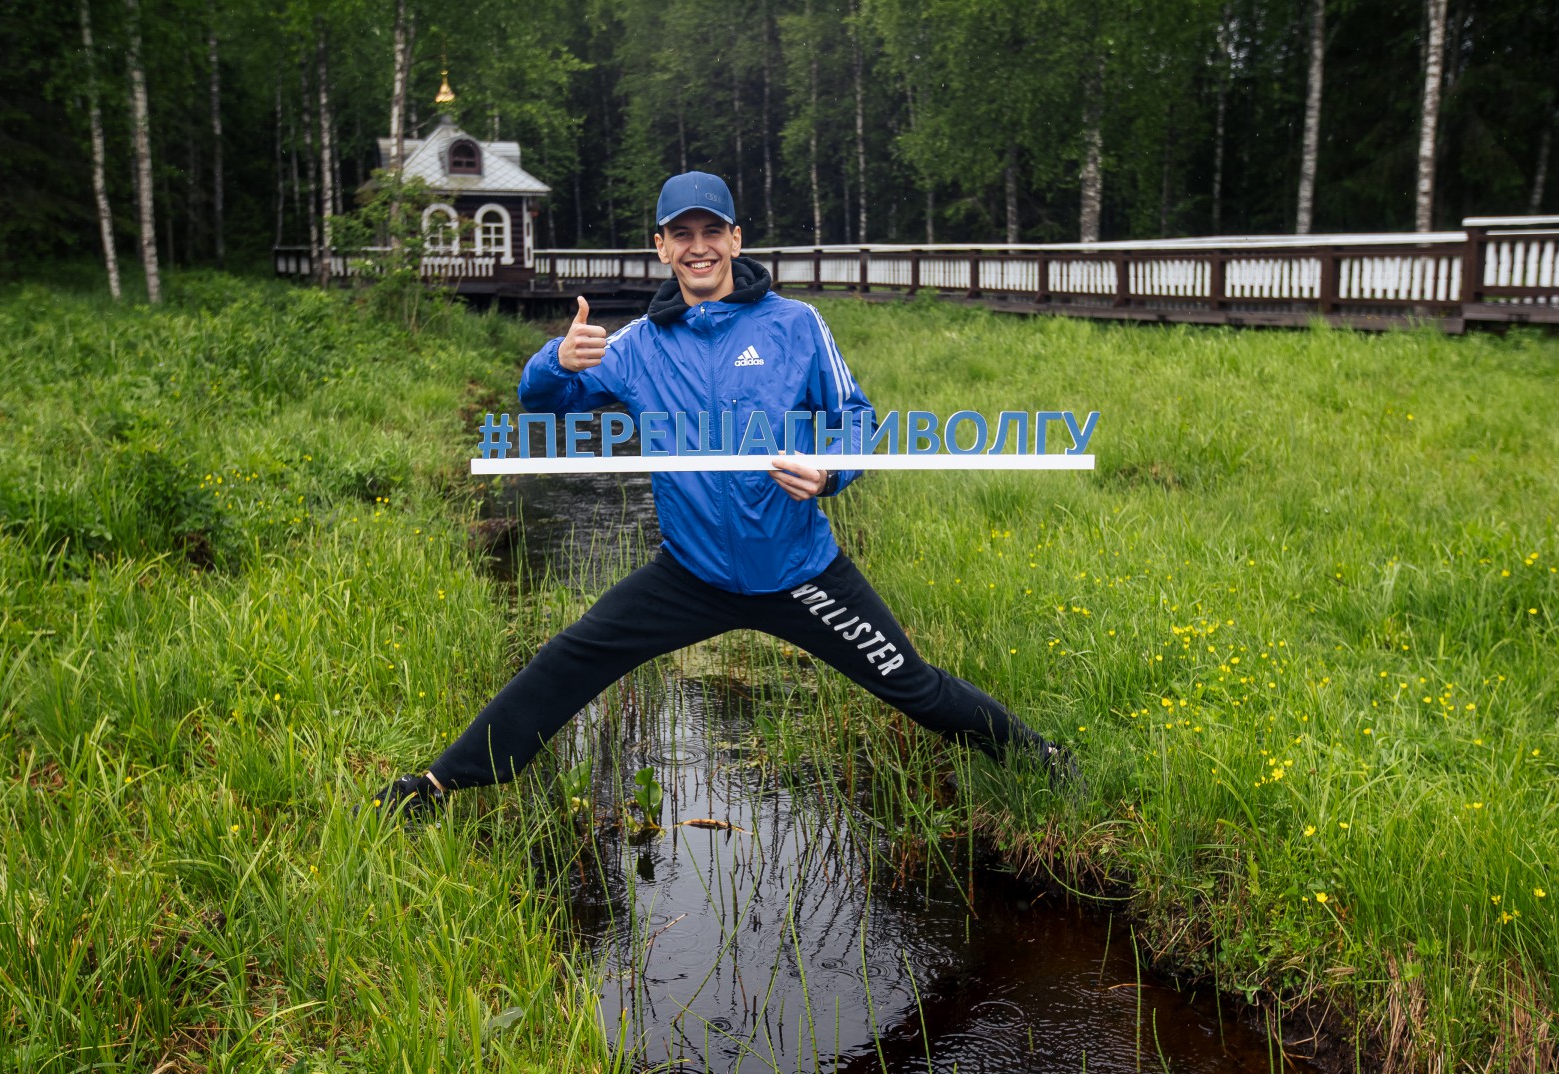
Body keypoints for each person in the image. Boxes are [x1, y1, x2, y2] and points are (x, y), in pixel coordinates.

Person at [372, 170, 1079, 814]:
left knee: (914, 685)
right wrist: (554, 360)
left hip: (801, 573)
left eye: (713, 231)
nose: (699, 246)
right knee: (570, 660)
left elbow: (854, 418)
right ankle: (437, 785)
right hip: (692, 574)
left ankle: (1039, 758)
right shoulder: (638, 345)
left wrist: (831, 470)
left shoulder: (796, 326)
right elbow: (544, 403)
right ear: (661, 248)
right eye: (683, 234)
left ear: (736, 240)